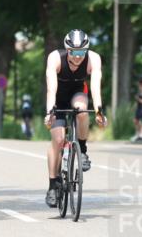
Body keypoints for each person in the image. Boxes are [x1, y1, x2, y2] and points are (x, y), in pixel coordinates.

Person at [43, 29, 107, 207]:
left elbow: (95, 87)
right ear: (67, 49)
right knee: (58, 139)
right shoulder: (55, 58)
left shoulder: (93, 58)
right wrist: (49, 112)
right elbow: (51, 89)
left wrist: (99, 111)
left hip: (77, 93)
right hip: (58, 97)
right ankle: (52, 185)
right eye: (74, 52)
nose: (78, 57)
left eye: (81, 52)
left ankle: (83, 151)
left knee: (82, 111)